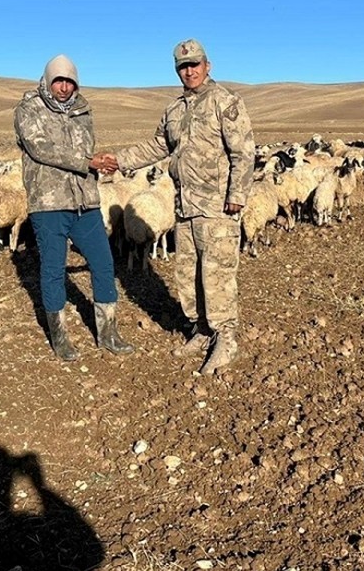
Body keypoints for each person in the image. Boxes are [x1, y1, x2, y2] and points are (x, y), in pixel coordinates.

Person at [105, 39, 254, 375]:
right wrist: (119, 160)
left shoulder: (225, 101)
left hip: (217, 207)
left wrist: (237, 194)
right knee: (187, 273)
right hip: (184, 207)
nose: (190, 71)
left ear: (207, 65)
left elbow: (243, 152)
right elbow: (157, 145)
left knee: (216, 274)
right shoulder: (174, 110)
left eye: (195, 64)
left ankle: (225, 337)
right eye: (183, 66)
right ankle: (202, 329)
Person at [14, 54, 134, 361]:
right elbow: (41, 149)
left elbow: (86, 149)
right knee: (54, 270)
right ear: (48, 81)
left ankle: (108, 331)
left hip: (85, 200)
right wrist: (88, 162)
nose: (65, 87)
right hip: (49, 202)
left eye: (70, 81)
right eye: (59, 81)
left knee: (103, 262)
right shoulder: (29, 109)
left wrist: (98, 161)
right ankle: (60, 336)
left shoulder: (83, 109)